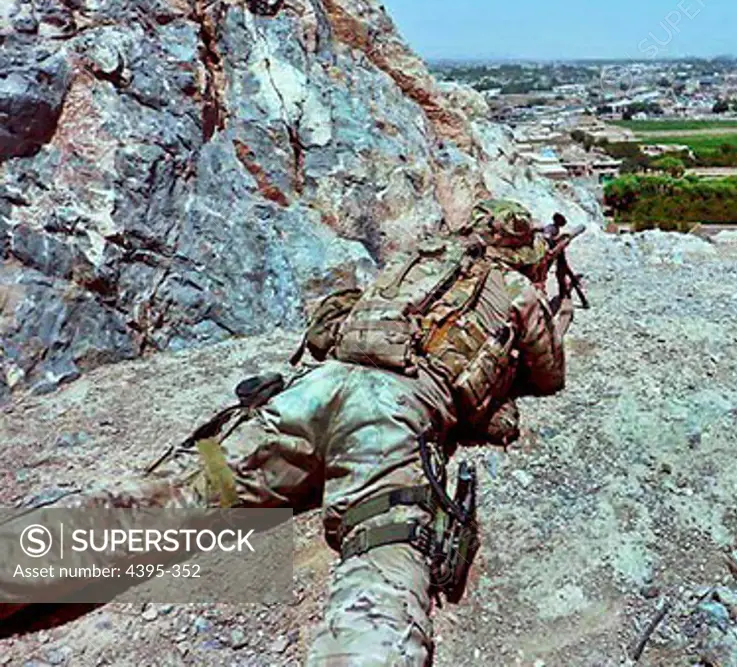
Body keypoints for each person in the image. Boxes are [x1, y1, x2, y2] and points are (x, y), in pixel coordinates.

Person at [1, 199, 575, 666]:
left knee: (191, 488)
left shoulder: (414, 261)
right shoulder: (517, 291)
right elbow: (549, 375)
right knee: (383, 548)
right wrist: (542, 319)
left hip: (311, 391)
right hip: (390, 415)